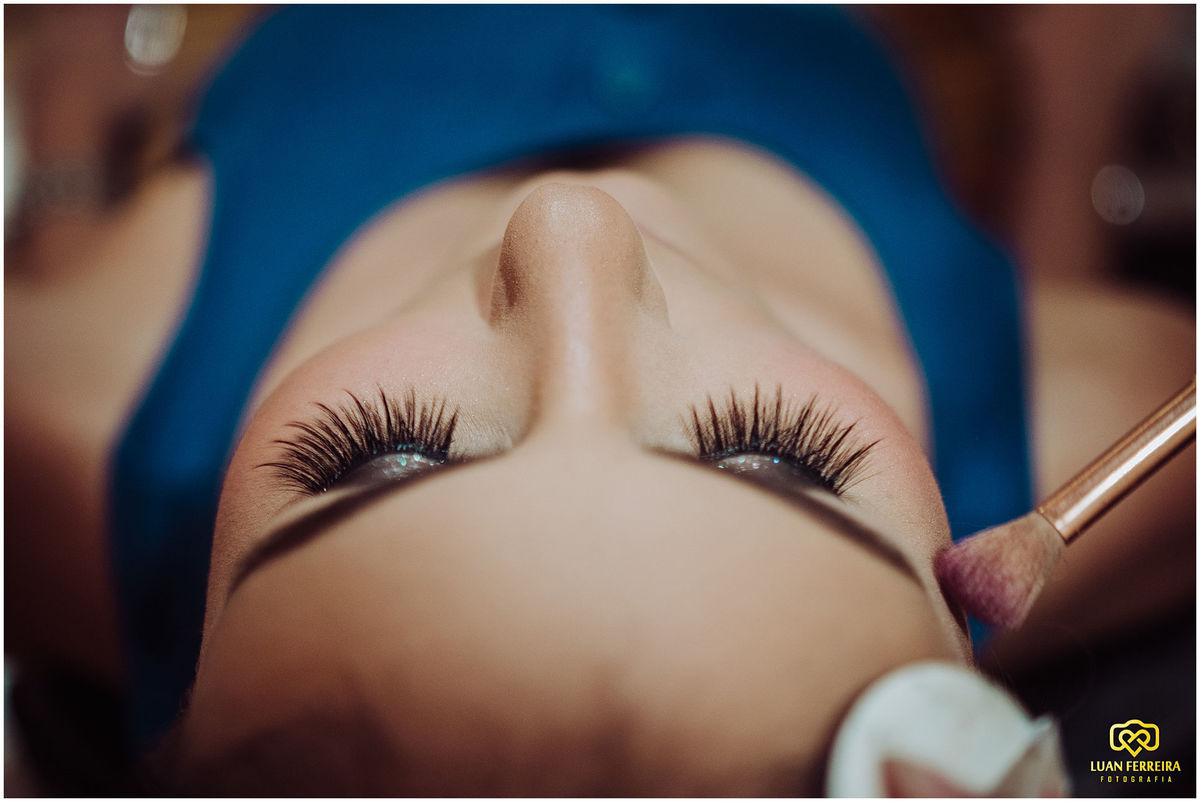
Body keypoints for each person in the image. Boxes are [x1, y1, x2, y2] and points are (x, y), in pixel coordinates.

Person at [6, 6, 1193, 795]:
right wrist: (1070, 81)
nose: (576, 226)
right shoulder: (1104, 432)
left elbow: (64, 137)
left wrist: (64, 122)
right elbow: (1046, 237)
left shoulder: (65, 442)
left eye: (388, 454)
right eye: (770, 457)